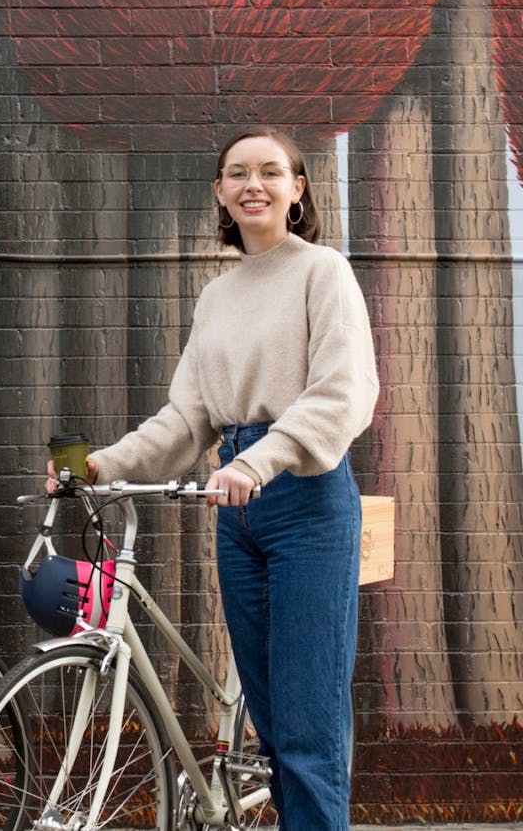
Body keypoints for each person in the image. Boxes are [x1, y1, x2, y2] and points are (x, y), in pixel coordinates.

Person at [54, 127, 377, 830]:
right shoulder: (218, 296)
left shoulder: (323, 272)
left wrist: (258, 461)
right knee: (269, 719)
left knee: (307, 722)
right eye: (237, 174)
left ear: (298, 188)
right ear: (220, 194)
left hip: (303, 496)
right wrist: (104, 464)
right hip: (237, 507)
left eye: (270, 172)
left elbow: (341, 394)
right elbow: (186, 418)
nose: (252, 184)